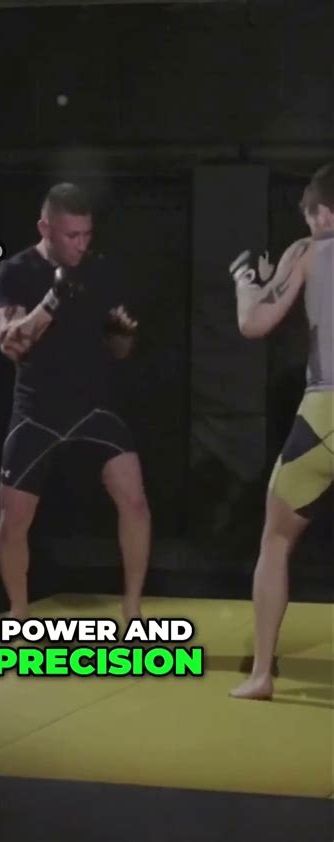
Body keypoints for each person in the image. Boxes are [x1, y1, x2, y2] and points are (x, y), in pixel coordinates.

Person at [0, 183, 151, 629]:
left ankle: (133, 611)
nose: (81, 244)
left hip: (94, 406)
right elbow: (10, 344)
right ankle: (18, 614)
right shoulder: (15, 272)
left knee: (135, 501)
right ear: (46, 228)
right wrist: (52, 299)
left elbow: (119, 350)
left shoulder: (100, 270)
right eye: (71, 235)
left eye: (87, 234)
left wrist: (124, 334)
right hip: (37, 411)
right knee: (14, 520)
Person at [228, 163, 334, 700]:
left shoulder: (307, 250)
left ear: (323, 212)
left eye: (310, 216)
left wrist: (249, 283)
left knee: (275, 540)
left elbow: (255, 324)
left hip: (325, 416)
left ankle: (262, 675)